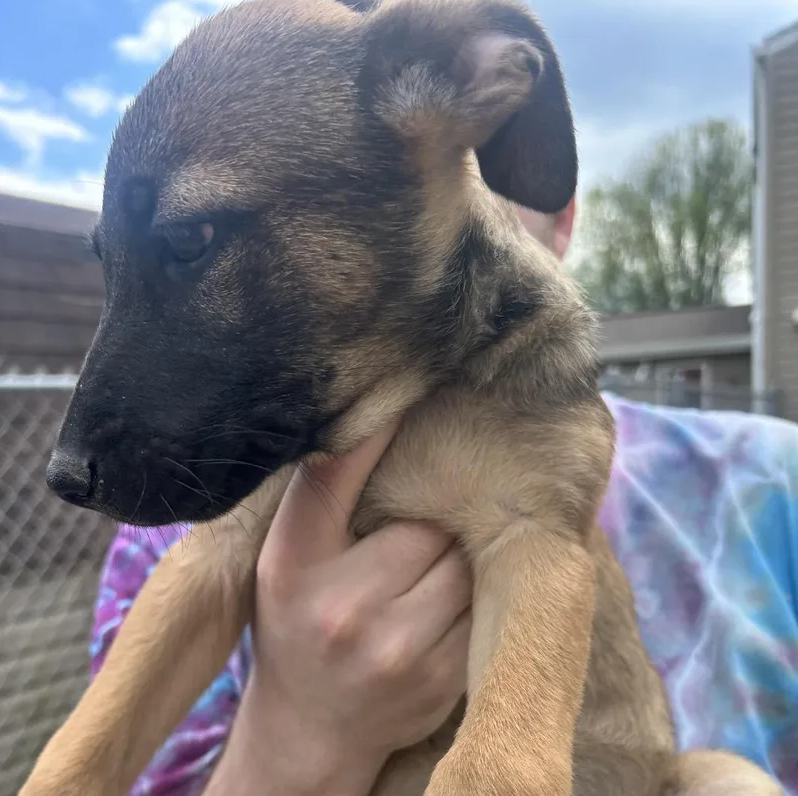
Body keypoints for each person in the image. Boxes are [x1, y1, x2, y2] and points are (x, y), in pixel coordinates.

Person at [91, 197, 798, 796]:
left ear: (562, 217)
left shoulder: (769, 472)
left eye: (477, 164)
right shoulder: (214, 468)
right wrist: (296, 732)